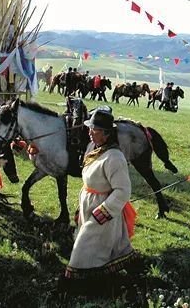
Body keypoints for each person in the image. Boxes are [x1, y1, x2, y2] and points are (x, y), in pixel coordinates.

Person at [60, 108, 140, 296]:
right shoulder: (93, 147)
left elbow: (123, 190)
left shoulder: (115, 158)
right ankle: (100, 280)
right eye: (90, 127)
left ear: (106, 133)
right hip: (88, 206)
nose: (89, 132)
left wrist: (103, 212)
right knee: (97, 248)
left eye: (94, 129)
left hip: (102, 213)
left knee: (83, 246)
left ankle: (72, 283)